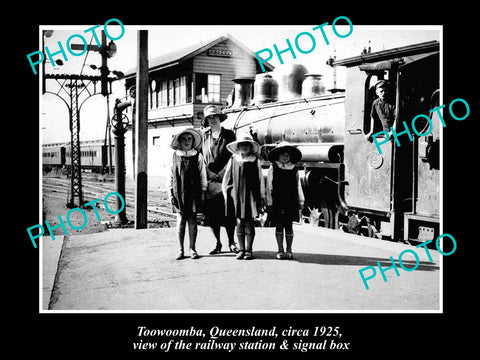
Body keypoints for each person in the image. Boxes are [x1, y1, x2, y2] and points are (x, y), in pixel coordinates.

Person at [201, 104, 239, 255]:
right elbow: (201, 157)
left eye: (215, 116)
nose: (212, 120)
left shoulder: (229, 135)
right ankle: (217, 243)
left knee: (229, 214)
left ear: (219, 118)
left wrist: (224, 172)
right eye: (209, 117)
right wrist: (209, 173)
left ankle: (231, 242)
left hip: (227, 178)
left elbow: (233, 154)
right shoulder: (204, 136)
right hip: (210, 180)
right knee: (212, 216)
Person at [222, 135, 265, 260]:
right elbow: (226, 178)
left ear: (251, 147)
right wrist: (226, 195)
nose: (245, 147)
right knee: (240, 221)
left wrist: (262, 196)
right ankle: (241, 249)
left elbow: (260, 179)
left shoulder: (255, 160)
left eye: (247, 144)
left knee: (249, 222)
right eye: (242, 144)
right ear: (238, 147)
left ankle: (249, 249)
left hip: (251, 196)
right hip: (236, 195)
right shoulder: (233, 159)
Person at [169, 128, 207, 260]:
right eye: (184, 139)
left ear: (193, 141)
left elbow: (203, 175)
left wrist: (203, 191)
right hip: (178, 192)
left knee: (192, 221)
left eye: (189, 139)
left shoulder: (198, 156)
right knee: (180, 221)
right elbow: (169, 177)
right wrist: (170, 193)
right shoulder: (174, 155)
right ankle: (180, 249)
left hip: (194, 193)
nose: (186, 141)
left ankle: (192, 248)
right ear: (179, 141)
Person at [266, 142, 305, 260]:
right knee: (279, 225)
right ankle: (280, 250)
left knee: (289, 226)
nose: (285, 156)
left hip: (290, 201)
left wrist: (301, 200)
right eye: (282, 154)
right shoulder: (273, 168)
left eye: (287, 154)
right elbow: (269, 186)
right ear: (277, 155)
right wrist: (269, 202)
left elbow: (298, 185)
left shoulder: (294, 169)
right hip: (277, 200)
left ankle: (289, 250)